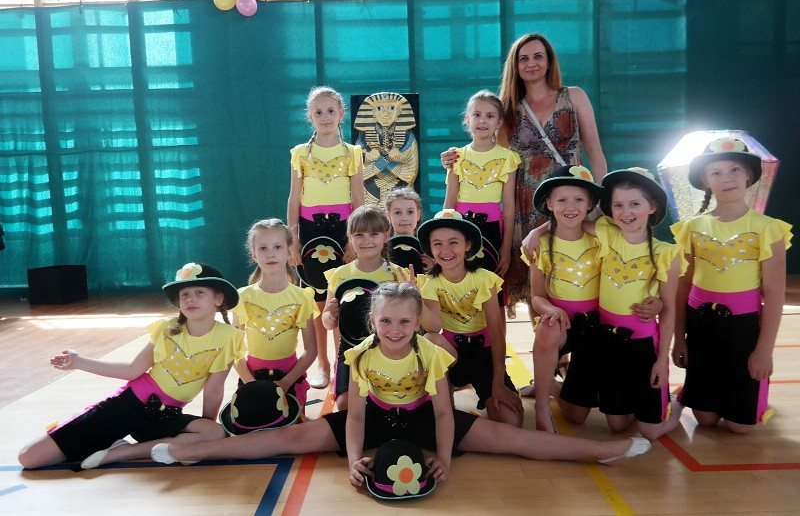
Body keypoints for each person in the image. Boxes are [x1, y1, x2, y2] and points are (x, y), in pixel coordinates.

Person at [150, 282, 652, 486]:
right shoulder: (359, 355)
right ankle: (187, 452)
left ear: (417, 323)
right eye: (386, 321)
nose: (394, 330)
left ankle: (602, 452)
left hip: (422, 419)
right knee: (285, 439)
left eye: (404, 322)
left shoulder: (431, 353)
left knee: (514, 440)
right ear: (373, 322)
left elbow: (442, 413)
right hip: (374, 421)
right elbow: (358, 416)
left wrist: (445, 459)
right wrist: (353, 460)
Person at [17, 263, 245, 469]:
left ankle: (122, 452)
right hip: (128, 405)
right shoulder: (168, 329)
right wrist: (79, 362)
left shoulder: (229, 337)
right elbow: (132, 370)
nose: (190, 299)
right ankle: (116, 442)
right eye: (184, 294)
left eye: (199, 292)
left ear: (218, 299)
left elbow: (214, 390)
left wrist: (204, 430)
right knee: (29, 457)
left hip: (165, 417)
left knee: (214, 433)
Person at [442, 33, 608, 315]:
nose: (531, 63)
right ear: (515, 66)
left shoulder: (574, 96)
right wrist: (453, 157)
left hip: (571, 201)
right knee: (535, 281)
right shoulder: (509, 108)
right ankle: (544, 338)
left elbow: (595, 150)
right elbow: (490, 152)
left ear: (549, 61)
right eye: (523, 58)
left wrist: (604, 200)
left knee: (576, 274)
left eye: (538, 56)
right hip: (526, 206)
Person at [671, 137, 791, 434]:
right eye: (717, 172)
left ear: (748, 175)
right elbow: (682, 287)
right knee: (705, 419)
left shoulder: (767, 228)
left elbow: (775, 294)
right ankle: (692, 392)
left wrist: (764, 350)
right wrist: (680, 339)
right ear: (705, 181)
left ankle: (751, 396)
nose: (727, 178)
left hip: (744, 327)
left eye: (735, 169)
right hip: (701, 325)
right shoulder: (692, 227)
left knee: (740, 427)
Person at [592, 168, 686, 440]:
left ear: (652, 206)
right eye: (618, 205)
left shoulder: (666, 253)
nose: (626, 212)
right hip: (609, 342)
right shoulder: (605, 232)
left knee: (650, 432)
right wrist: (536, 232)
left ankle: (677, 404)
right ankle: (638, 401)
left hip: (643, 346)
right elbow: (565, 225)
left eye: (635, 204)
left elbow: (668, 310)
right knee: (617, 425)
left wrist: (661, 360)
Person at [322, 205, 440, 411]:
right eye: (359, 234)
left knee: (390, 404)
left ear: (386, 235)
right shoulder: (339, 275)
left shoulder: (399, 275)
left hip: (392, 349)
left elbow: (434, 328)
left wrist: (416, 297)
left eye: (374, 234)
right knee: (344, 405)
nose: (366, 240)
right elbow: (327, 322)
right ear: (350, 238)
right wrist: (331, 315)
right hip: (351, 349)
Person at [287, 86, 365, 391]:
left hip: (342, 230)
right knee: (318, 300)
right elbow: (294, 199)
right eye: (318, 112)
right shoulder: (300, 153)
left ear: (341, 113)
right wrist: (293, 238)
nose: (325, 117)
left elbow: (358, 199)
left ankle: (340, 363)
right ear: (310, 116)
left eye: (331, 110)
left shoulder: (352, 153)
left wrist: (353, 239)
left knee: (340, 297)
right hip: (310, 232)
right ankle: (322, 363)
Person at [417, 209, 523, 426]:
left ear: (467, 244)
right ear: (430, 249)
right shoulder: (430, 282)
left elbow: (496, 333)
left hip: (483, 353)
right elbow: (433, 329)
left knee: (511, 421)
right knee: (430, 339)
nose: (446, 250)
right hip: (454, 354)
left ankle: (483, 386)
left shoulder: (483, 279)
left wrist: (498, 382)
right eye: (437, 244)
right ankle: (445, 401)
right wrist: (416, 302)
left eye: (453, 242)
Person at [526, 165, 603, 432]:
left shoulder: (601, 237)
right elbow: (536, 296)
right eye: (562, 200)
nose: (570, 207)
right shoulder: (540, 246)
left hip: (594, 326)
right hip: (562, 325)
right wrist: (551, 309)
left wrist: (536, 229)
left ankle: (550, 386)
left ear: (590, 204)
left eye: (579, 199)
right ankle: (542, 408)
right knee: (547, 327)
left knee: (576, 416)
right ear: (549, 203)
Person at [232, 219, 318, 411]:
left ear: (289, 251)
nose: (270, 254)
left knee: (290, 425)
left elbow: (311, 351)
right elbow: (234, 349)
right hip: (251, 377)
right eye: (263, 248)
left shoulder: (302, 297)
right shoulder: (243, 297)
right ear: (254, 254)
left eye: (277, 247)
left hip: (290, 377)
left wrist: (286, 382)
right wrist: (250, 382)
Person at [443, 90, 520, 281]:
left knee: (491, 284)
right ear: (467, 119)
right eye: (477, 115)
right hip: (460, 227)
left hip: (493, 229)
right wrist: (446, 237)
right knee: (461, 280)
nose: (483, 121)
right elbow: (449, 202)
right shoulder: (456, 156)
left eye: (490, 116)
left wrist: (506, 249)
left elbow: (509, 207)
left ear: (499, 123)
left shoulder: (508, 158)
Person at [385, 186, 433, 274]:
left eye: (410, 212)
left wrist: (433, 268)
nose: (405, 218)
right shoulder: (382, 249)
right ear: (389, 216)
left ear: (418, 215)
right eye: (398, 213)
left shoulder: (428, 249)